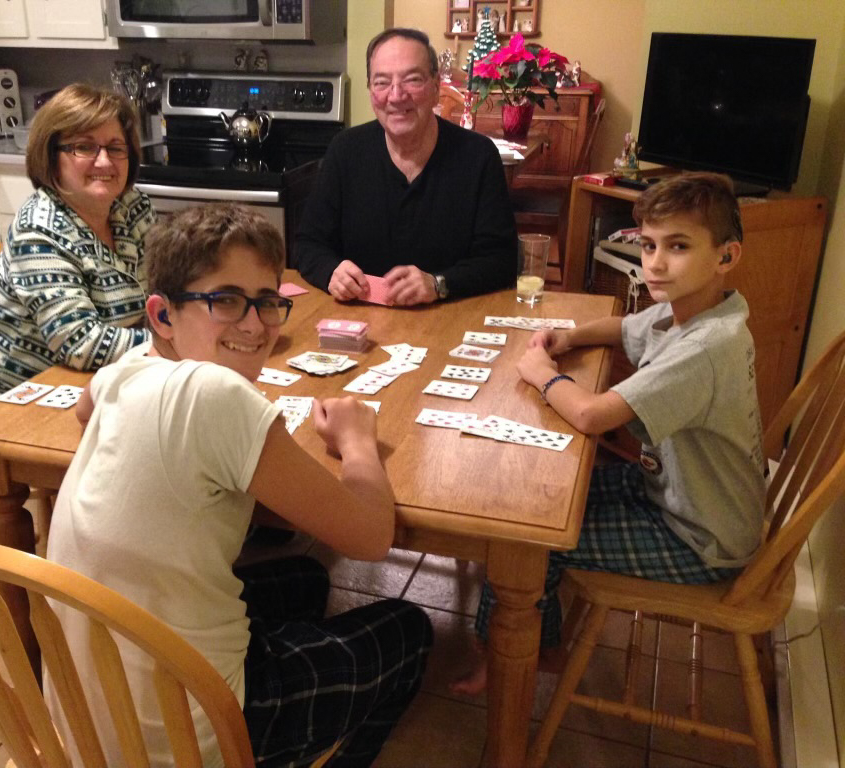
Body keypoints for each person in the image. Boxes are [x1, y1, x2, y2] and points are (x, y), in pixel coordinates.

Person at [45, 203, 433, 767]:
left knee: (304, 576)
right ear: (163, 314)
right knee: (409, 628)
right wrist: (357, 442)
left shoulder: (124, 368)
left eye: (268, 301)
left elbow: (86, 412)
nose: (255, 324)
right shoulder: (215, 395)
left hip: (88, 720)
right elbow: (373, 537)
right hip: (186, 735)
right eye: (224, 300)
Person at [453, 172, 766, 694]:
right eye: (648, 244)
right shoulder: (696, 309)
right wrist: (568, 335)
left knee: (528, 539)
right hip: (682, 497)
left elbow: (592, 416)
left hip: (698, 538)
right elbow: (622, 326)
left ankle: (503, 656)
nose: (656, 262)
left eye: (678, 246)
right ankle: (545, 642)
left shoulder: (707, 348)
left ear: (726, 256)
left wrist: (540, 373)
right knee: (537, 506)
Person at [0, 83, 155, 413]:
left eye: (115, 147)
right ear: (52, 158)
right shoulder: (39, 231)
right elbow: (81, 345)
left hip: (104, 384)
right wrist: (181, 341)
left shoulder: (133, 208)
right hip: (15, 404)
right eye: (84, 147)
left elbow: (172, 283)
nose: (104, 161)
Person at [295, 27, 518, 306]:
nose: (396, 95)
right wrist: (330, 272)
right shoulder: (345, 151)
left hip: (449, 320)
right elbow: (308, 244)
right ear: (370, 91)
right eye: (381, 82)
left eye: (412, 80)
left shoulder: (478, 156)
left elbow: (501, 261)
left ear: (436, 88)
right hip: (359, 324)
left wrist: (439, 284)